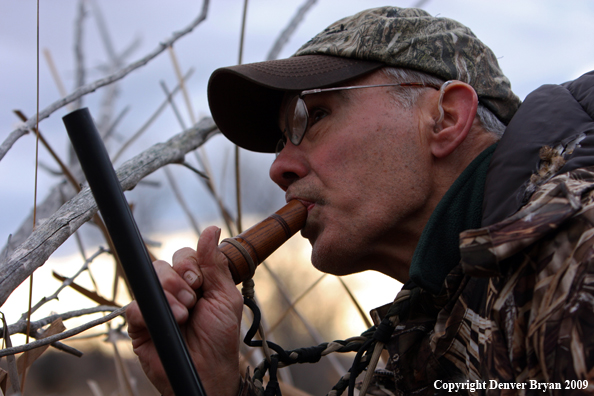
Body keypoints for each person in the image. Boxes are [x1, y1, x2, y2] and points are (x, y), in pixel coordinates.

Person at [126, 6, 594, 395]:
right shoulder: (436, 316)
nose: (278, 168)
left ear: (446, 117)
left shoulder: (577, 246)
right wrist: (217, 384)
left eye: (314, 116)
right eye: (278, 142)